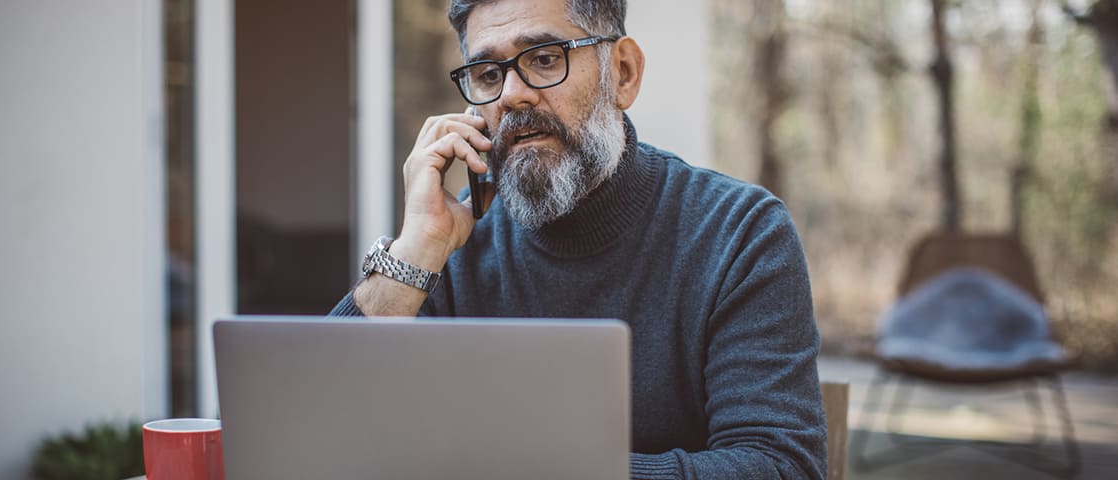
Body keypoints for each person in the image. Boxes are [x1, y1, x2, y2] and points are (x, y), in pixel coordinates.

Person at [330, 0, 827, 477]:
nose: (510, 95)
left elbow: (780, 467)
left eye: (545, 59)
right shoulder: (451, 242)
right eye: (487, 74)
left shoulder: (738, 233)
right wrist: (414, 251)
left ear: (623, 73)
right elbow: (314, 423)